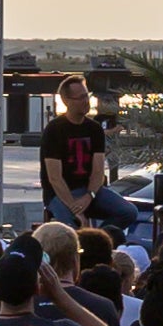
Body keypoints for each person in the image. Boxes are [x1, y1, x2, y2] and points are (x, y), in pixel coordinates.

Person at [36, 81, 131, 241]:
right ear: (67, 101)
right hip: (60, 194)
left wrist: (89, 196)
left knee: (128, 212)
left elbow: (98, 172)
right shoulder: (54, 130)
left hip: (88, 191)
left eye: (86, 96)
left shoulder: (94, 129)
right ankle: (82, 248)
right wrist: (75, 209)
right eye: (80, 98)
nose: (86, 101)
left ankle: (97, 241)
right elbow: (55, 178)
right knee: (71, 228)